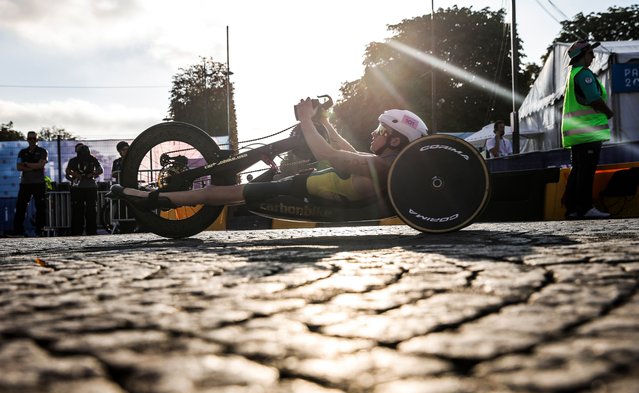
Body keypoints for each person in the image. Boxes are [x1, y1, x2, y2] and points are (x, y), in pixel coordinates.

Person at [108, 98, 428, 214]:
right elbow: (344, 151)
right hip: (306, 185)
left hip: (296, 188)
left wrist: (306, 120)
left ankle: (151, 199)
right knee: (237, 183)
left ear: (396, 140)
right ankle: (169, 192)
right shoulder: (384, 166)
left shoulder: (380, 167)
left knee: (218, 193)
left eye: (381, 131)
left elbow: (328, 154)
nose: (374, 134)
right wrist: (326, 122)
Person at [561, 40, 614, 220]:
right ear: (583, 55)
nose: (593, 56)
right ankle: (585, 208)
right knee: (586, 171)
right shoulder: (585, 75)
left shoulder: (572, 74)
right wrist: (608, 112)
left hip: (576, 134)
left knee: (578, 170)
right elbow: (594, 99)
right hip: (587, 133)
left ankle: (572, 208)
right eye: (591, 53)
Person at [12, 131, 48, 237]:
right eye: (30, 138)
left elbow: (41, 166)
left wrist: (27, 164)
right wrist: (34, 166)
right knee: (20, 207)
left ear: (37, 140)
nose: (32, 140)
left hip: (39, 183)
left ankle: (40, 229)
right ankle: (18, 231)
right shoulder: (22, 152)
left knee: (40, 206)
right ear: (27, 139)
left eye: (34, 138)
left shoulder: (42, 151)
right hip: (25, 183)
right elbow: (18, 167)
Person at [65, 144, 104, 235]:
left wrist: (92, 174)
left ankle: (91, 231)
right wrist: (75, 176)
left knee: (91, 210)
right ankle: (77, 231)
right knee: (78, 210)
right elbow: (67, 172)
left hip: (90, 186)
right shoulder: (73, 160)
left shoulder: (92, 159)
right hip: (77, 187)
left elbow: (100, 170)